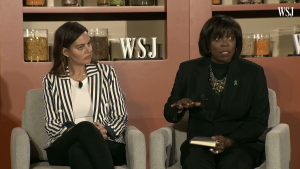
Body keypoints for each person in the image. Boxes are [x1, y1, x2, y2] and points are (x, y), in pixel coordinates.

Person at [164, 15, 270, 169]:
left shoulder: (253, 72)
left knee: (233, 165)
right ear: (207, 44)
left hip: (241, 144)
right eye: (218, 39)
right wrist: (179, 107)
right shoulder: (188, 70)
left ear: (237, 42)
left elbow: (259, 121)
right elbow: (169, 113)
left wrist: (229, 141)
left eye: (231, 38)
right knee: (195, 163)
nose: (225, 44)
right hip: (200, 144)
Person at [42, 22, 128, 169]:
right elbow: (51, 123)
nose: (88, 50)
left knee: (78, 152)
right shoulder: (51, 80)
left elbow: (120, 115)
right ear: (65, 52)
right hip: (64, 144)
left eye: (89, 44)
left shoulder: (106, 73)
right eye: (80, 47)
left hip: (105, 142)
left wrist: (106, 130)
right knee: (85, 128)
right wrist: (80, 131)